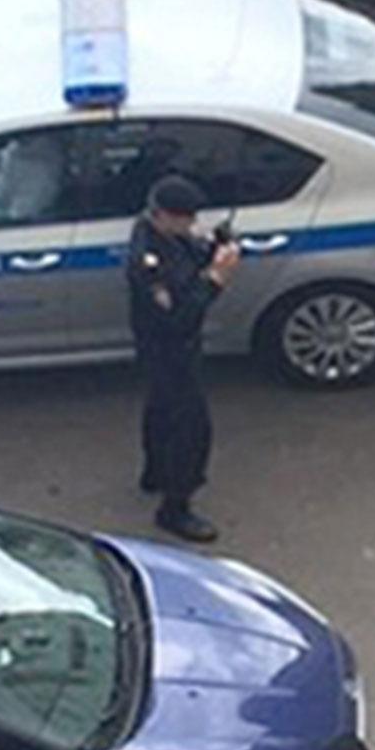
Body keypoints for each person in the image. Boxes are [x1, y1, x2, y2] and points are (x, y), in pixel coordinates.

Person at [128, 174, 241, 545]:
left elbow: (190, 253)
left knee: (160, 409)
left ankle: (156, 472)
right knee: (192, 429)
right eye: (184, 218)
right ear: (162, 215)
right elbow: (178, 317)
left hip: (167, 349)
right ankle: (175, 507)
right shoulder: (149, 263)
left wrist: (217, 247)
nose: (192, 225)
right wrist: (216, 281)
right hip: (168, 349)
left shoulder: (161, 235)